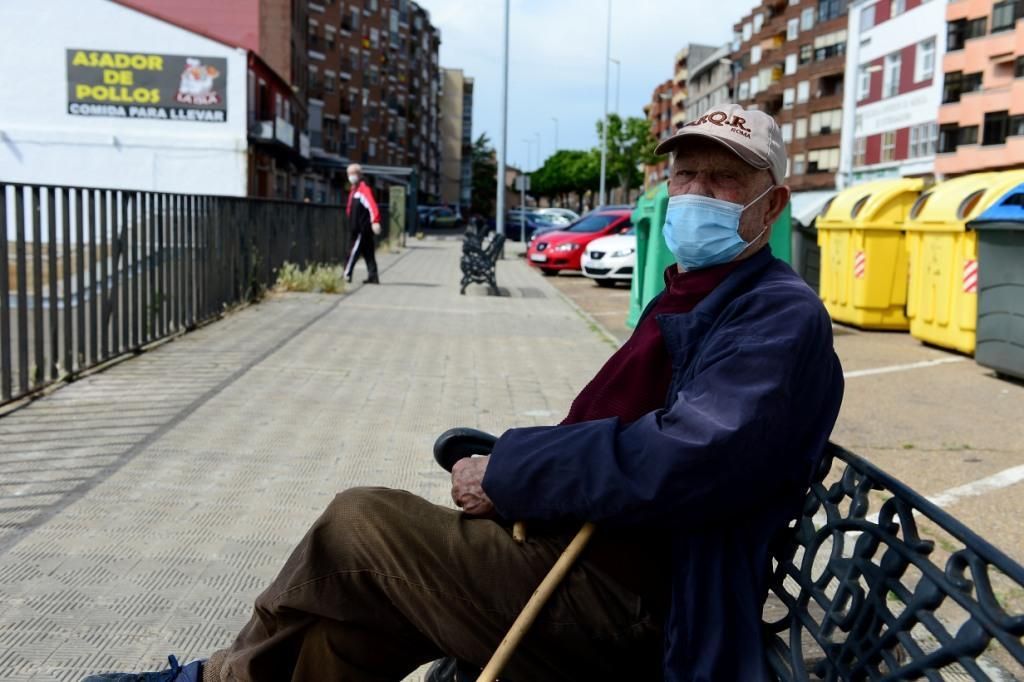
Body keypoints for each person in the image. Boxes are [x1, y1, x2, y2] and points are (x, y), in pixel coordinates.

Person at [83, 104, 844, 682]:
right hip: (579, 554)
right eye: (686, 176)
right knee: (346, 629)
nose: (696, 194)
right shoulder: (698, 292)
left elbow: (685, 454)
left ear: (771, 206)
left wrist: (511, 470)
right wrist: (521, 471)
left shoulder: (778, 313)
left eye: (723, 180)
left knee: (359, 525)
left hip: (642, 604)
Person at [343, 163, 382, 285]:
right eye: (349, 174)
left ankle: (346, 274)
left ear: (359, 175)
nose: (350, 176)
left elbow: (372, 206)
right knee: (368, 253)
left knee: (352, 251)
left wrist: (375, 221)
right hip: (360, 228)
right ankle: (373, 276)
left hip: (361, 228)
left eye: (352, 173)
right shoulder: (354, 190)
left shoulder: (363, 189)